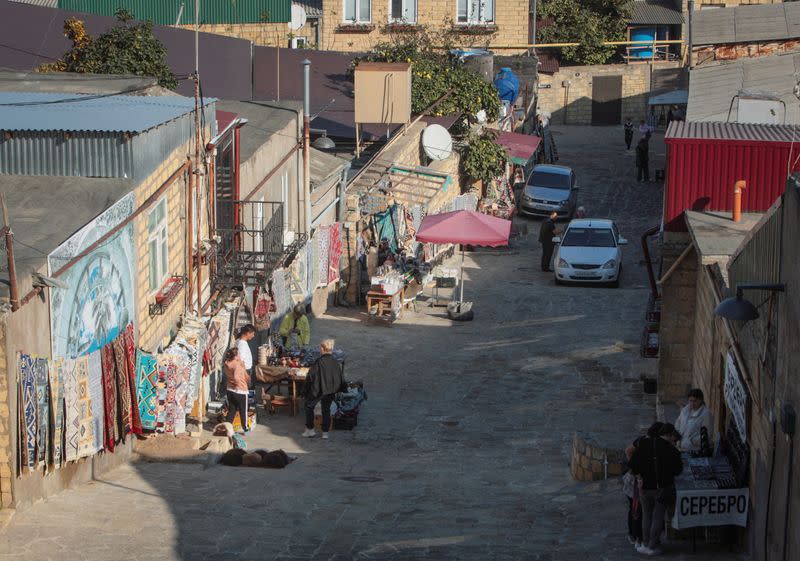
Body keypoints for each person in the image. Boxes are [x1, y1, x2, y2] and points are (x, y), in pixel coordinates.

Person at [629, 423, 683, 556]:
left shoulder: (644, 444)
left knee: (646, 516)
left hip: (644, 488)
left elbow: (632, 465)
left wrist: (640, 478)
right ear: (669, 435)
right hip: (661, 489)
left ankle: (645, 543)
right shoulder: (671, 450)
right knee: (658, 517)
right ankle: (652, 546)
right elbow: (678, 470)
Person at [302, 339, 344, 440]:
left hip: (318, 389)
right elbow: (339, 377)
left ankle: (310, 430)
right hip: (330, 390)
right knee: (326, 410)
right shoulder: (335, 362)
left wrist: (304, 389)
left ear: (323, 348)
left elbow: (311, 376)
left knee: (309, 406)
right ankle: (325, 433)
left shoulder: (319, 361)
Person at [674, 388, 714, 452]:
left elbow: (707, 434)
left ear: (700, 400)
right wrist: (676, 435)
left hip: (694, 450)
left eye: (695, 401)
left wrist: (691, 441)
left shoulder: (706, 414)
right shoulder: (685, 410)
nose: (692, 403)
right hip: (680, 447)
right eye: (690, 401)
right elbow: (678, 422)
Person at [223, 347, 251, 433]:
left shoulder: (227, 363)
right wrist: (237, 383)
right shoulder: (237, 364)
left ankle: (227, 427)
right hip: (240, 390)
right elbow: (236, 377)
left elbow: (229, 375)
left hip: (230, 390)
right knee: (243, 410)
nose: (240, 355)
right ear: (235, 356)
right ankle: (245, 427)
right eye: (239, 354)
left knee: (232, 410)